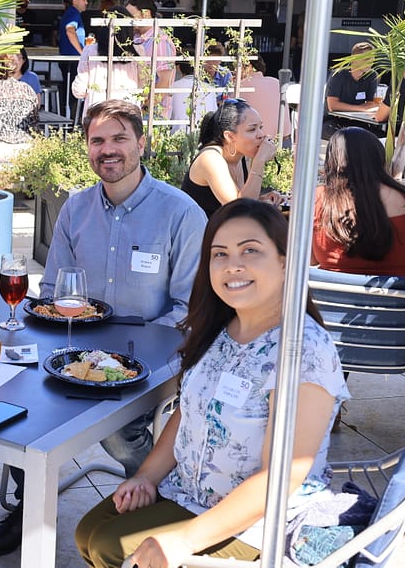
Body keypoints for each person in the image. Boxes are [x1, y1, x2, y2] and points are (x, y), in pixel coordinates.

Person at [0, 100, 206, 556]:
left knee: (119, 433)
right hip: (74, 348)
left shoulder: (181, 214)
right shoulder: (75, 209)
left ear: (143, 143)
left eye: (120, 138)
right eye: (97, 140)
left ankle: (152, 500)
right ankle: (26, 510)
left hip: (148, 355)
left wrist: (118, 357)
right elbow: (54, 294)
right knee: (17, 400)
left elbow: (187, 308)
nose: (108, 150)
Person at [76, 199, 349, 568]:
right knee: (89, 533)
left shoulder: (303, 351)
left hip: (260, 523)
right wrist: (146, 477)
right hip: (190, 493)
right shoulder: (222, 329)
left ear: (286, 261)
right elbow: (188, 413)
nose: (232, 265)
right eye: (219, 254)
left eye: (250, 250)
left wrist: (185, 541)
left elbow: (282, 478)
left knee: (114, 546)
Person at [312, 127, 405, 286]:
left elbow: (308, 260)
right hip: (398, 308)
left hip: (328, 307)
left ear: (332, 160)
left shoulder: (318, 200)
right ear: (379, 157)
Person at [180, 99, 282, 219]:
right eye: (252, 129)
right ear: (229, 136)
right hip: (200, 234)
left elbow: (241, 199)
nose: (261, 135)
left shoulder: (241, 157)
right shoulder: (210, 159)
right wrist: (259, 161)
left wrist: (262, 200)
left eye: (261, 127)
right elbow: (239, 210)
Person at [71, 5, 142, 111]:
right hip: (129, 111)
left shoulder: (90, 51)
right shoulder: (139, 50)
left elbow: (79, 90)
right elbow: (145, 86)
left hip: (98, 112)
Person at [125, 0, 176, 115]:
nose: (128, 21)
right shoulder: (136, 37)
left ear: (146, 14)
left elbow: (164, 82)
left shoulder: (160, 41)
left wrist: (145, 109)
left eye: (131, 17)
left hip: (152, 114)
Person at [323, 41, 380, 138]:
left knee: (379, 137)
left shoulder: (372, 76)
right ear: (354, 59)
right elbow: (332, 105)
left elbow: (369, 103)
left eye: (372, 60)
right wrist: (361, 108)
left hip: (359, 121)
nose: (370, 63)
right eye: (366, 59)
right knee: (348, 139)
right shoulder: (338, 74)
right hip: (333, 121)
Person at [236, 59, 290, 143]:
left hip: (256, 143)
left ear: (249, 67)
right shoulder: (277, 82)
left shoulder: (241, 87)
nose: (234, 71)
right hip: (284, 140)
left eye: (237, 67)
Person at [59, 0, 89, 117]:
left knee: (70, 90)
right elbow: (70, 31)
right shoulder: (73, 14)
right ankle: (72, 122)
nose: (86, 2)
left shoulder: (71, 13)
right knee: (74, 92)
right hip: (72, 59)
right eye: (84, 0)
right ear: (75, 1)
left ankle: (70, 120)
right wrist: (82, 52)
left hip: (70, 58)